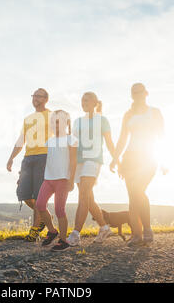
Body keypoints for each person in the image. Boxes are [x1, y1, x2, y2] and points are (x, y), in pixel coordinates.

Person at [110, 83, 166, 247]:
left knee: (137, 191)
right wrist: (115, 159)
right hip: (130, 158)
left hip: (149, 158)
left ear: (146, 93)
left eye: (139, 92)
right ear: (131, 96)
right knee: (133, 196)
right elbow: (122, 138)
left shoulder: (154, 112)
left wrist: (164, 161)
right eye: (134, 93)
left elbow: (162, 136)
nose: (137, 95)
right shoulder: (128, 115)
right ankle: (137, 234)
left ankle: (146, 229)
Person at [66, 92, 116, 247]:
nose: (83, 102)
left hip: (93, 160)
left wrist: (116, 159)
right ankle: (104, 227)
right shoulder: (77, 121)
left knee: (83, 196)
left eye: (87, 100)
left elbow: (109, 142)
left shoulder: (102, 120)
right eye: (82, 100)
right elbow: (72, 143)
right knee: (89, 198)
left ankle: (75, 234)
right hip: (79, 162)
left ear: (95, 102)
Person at [6, 88, 53, 242]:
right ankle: (45, 215)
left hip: (44, 157)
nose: (35, 98)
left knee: (38, 194)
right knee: (24, 194)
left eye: (38, 96)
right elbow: (21, 140)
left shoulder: (51, 116)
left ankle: (35, 229)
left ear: (46, 99)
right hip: (28, 158)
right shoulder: (28, 119)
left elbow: (61, 135)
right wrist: (11, 157)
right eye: (33, 96)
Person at [36, 110, 78, 252]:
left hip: (63, 180)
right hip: (48, 179)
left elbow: (73, 161)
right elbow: (47, 160)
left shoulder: (71, 139)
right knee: (40, 205)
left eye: (59, 121)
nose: (55, 124)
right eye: (53, 122)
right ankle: (52, 231)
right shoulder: (50, 141)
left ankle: (63, 240)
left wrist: (71, 180)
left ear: (67, 123)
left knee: (59, 209)